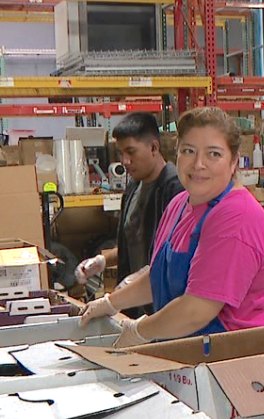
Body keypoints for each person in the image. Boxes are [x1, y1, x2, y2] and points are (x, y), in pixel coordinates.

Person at [80, 107, 264, 347]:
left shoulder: (237, 216)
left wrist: (139, 331)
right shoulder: (180, 204)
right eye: (188, 151)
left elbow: (197, 309)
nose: (198, 164)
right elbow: (159, 278)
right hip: (193, 346)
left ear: (234, 161)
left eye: (214, 154)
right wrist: (111, 303)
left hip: (240, 353)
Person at [75, 112, 185, 316]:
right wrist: (102, 260)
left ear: (154, 148)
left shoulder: (176, 190)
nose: (125, 161)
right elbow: (133, 242)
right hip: (135, 307)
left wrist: (141, 279)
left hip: (164, 307)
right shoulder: (133, 188)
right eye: (120, 153)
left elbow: (177, 255)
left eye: (131, 152)